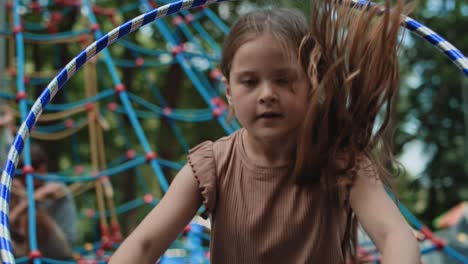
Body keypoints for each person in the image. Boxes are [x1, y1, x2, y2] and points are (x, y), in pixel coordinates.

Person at [110, 1, 420, 263]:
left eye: (284, 80)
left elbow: (394, 234)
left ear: (313, 84)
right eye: (249, 81)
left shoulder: (340, 161)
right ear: (228, 91)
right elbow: (144, 244)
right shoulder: (211, 166)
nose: (267, 94)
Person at [10, 143, 79, 259]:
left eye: (24, 177)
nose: (23, 181)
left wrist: (30, 199)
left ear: (42, 169)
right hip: (30, 248)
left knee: (32, 215)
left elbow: (11, 219)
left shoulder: (55, 185)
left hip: (61, 248)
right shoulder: (21, 189)